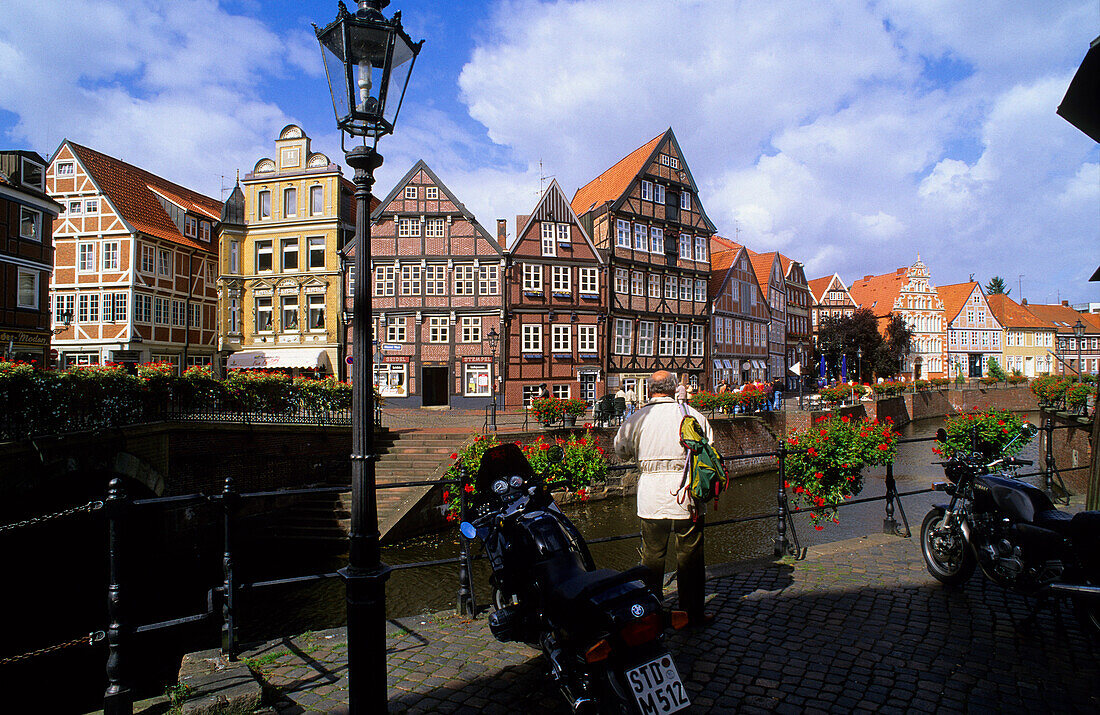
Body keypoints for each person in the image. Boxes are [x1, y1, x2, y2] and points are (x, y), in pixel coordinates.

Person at [613, 371, 715, 626]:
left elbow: (621, 451)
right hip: (687, 495)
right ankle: (692, 613)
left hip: (651, 496)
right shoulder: (692, 416)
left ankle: (651, 612)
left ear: (650, 391)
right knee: (690, 557)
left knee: (652, 558)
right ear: (672, 390)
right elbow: (710, 449)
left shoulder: (636, 418)